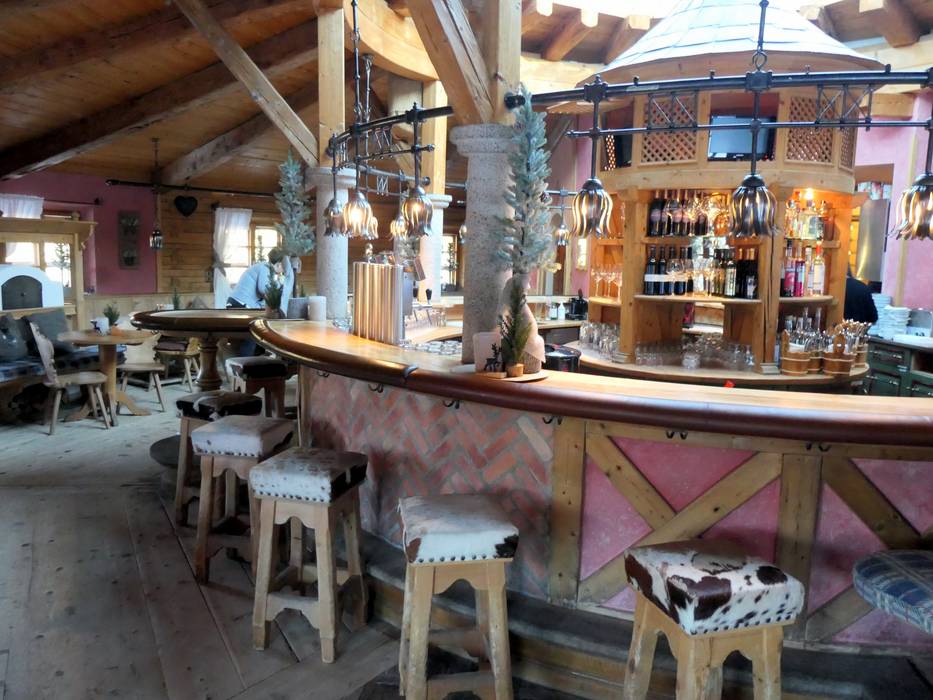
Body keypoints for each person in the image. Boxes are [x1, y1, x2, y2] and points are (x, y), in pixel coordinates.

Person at [226, 247, 293, 314]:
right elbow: (263, 289)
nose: (284, 270)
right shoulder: (265, 267)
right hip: (240, 302)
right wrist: (279, 285)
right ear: (279, 264)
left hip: (239, 302)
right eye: (285, 266)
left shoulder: (266, 268)